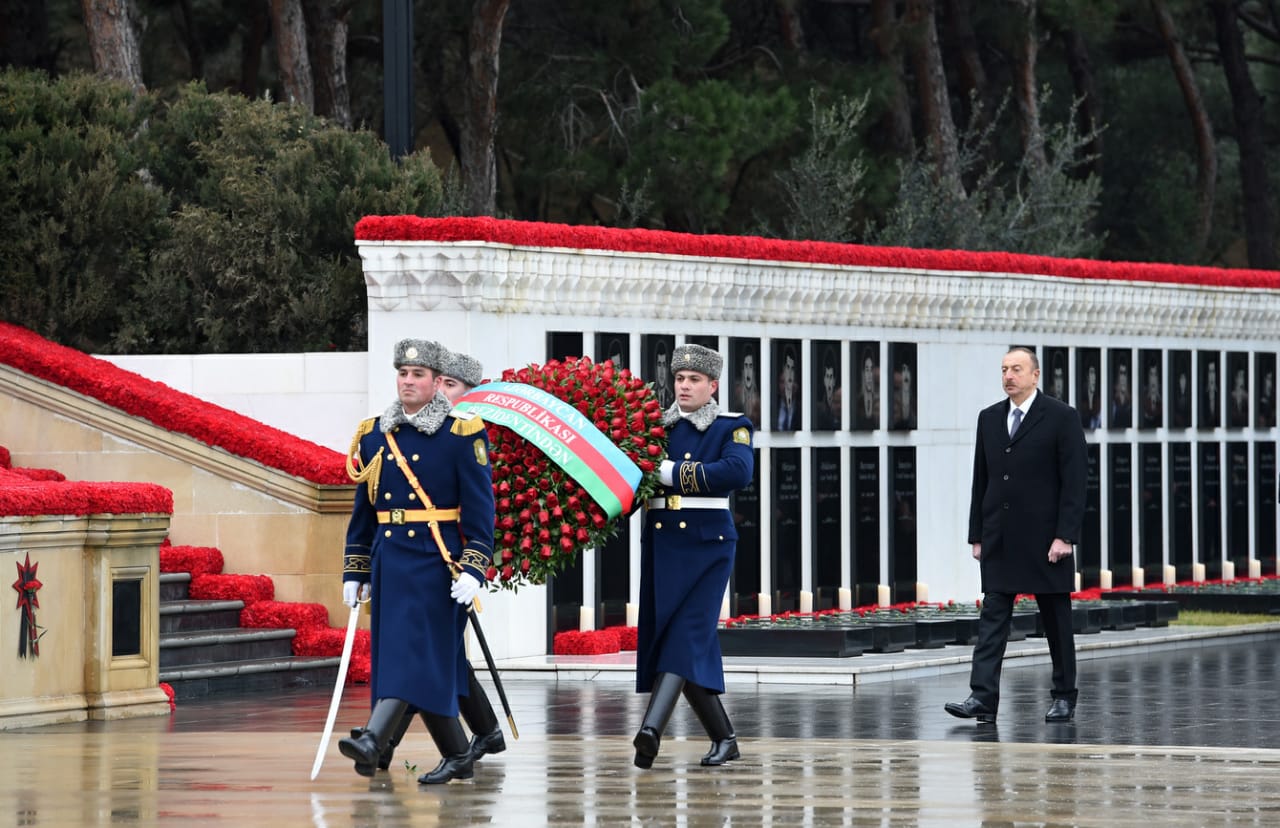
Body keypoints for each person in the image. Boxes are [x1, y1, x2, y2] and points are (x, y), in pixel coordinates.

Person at [338, 339, 496, 784]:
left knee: (415, 655)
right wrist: (356, 567)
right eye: (403, 374)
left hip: (435, 561)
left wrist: (474, 567)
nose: (409, 381)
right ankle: (457, 752)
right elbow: (364, 509)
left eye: (419, 375)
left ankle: (374, 738)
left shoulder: (462, 432)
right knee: (401, 656)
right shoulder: (374, 433)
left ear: (435, 384)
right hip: (390, 560)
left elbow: (482, 510)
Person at [946, 346, 1087, 725]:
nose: (1009, 376)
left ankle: (1063, 695)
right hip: (1001, 538)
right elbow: (982, 479)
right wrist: (977, 534)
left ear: (1035, 375)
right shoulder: (989, 418)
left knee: (1056, 621)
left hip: (1045, 542)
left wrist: (1065, 536)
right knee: (993, 618)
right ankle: (982, 697)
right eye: (1005, 369)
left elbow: (1074, 483)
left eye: (1017, 369)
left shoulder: (1061, 417)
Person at [635, 343, 754, 769]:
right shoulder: (655, 427)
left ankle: (651, 729)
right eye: (680, 379)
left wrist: (671, 473)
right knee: (677, 641)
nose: (684, 386)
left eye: (694, 380)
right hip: (664, 544)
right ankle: (725, 738)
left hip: (707, 546)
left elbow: (737, 471)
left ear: (713, 385)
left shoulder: (730, 426)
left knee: (685, 634)